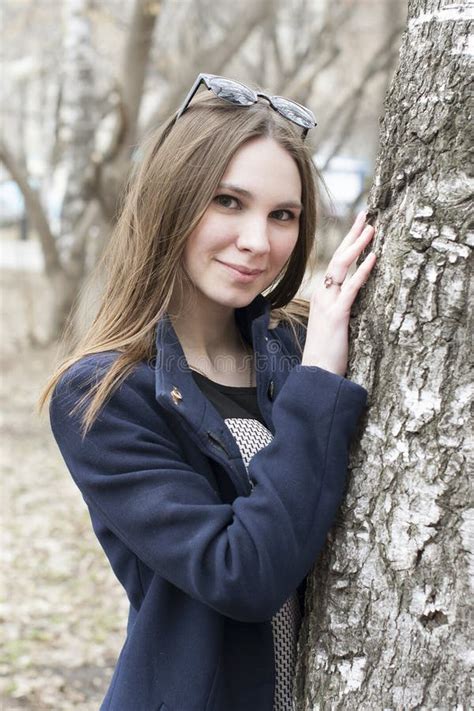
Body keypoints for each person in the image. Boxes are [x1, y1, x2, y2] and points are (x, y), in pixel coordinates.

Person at [40, 73, 376, 711]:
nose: (259, 242)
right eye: (228, 202)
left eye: (283, 215)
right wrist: (320, 381)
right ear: (172, 202)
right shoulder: (103, 397)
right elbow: (240, 572)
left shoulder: (301, 340)